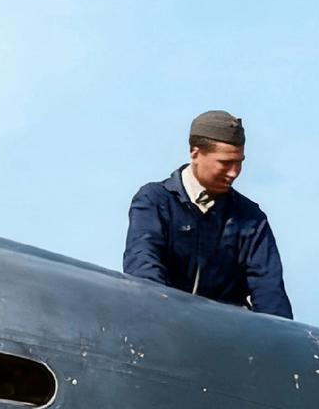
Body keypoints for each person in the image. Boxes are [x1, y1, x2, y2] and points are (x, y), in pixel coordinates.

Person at [123, 109, 292, 318]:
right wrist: (161, 314)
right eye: (225, 163)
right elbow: (143, 265)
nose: (234, 172)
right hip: (166, 326)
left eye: (239, 162)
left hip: (227, 337)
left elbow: (270, 293)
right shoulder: (155, 200)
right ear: (195, 153)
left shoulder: (251, 218)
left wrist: (279, 342)